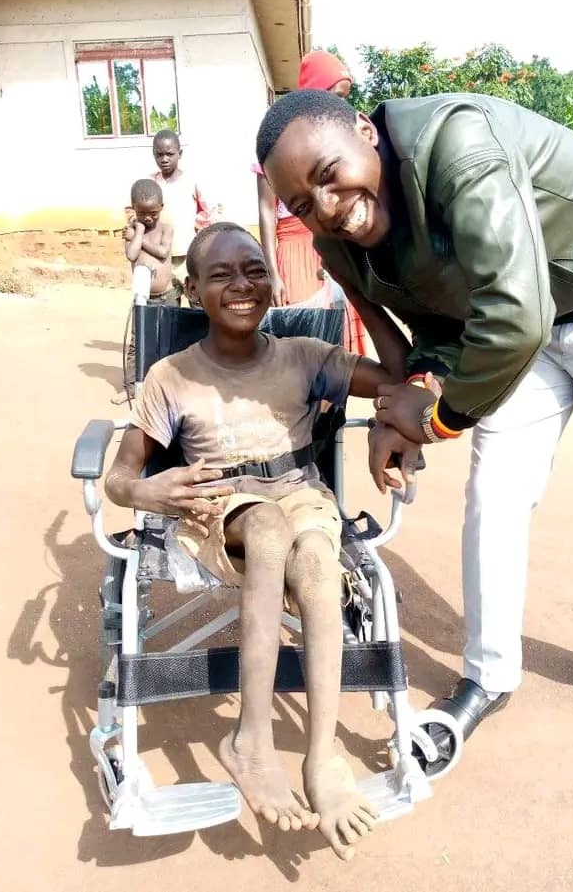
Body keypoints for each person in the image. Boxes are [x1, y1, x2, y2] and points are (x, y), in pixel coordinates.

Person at [255, 88, 573, 747]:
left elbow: (516, 311)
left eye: (328, 176)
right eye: (304, 205)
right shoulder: (338, 243)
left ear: (365, 133)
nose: (330, 208)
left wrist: (436, 420)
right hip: (523, 333)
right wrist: (393, 416)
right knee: (493, 498)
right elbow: (404, 337)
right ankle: (487, 674)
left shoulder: (455, 145)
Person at [104, 222, 411, 859]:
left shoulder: (303, 355)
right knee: (269, 529)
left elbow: (396, 378)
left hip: (302, 497)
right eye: (221, 274)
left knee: (320, 560)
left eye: (254, 270)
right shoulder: (172, 375)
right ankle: (251, 740)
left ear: (271, 280)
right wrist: (145, 493)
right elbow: (119, 478)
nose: (242, 284)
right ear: (192, 291)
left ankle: (322, 757)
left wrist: (360, 294)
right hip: (220, 510)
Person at [254, 51, 367, 355]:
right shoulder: (277, 142)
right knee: (307, 340)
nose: (343, 105)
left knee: (341, 337)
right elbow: (267, 211)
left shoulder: (338, 138)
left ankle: (337, 401)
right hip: (294, 251)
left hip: (333, 243)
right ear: (317, 93)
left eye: (346, 97)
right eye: (337, 95)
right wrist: (272, 273)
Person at [112, 179, 176, 405]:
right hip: (142, 299)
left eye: (153, 213)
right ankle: (130, 387)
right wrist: (137, 231)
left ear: (161, 208)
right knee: (136, 345)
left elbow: (162, 251)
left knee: (167, 343)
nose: (148, 218)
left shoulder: (166, 229)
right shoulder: (132, 231)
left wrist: (139, 238)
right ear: (133, 209)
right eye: (142, 213)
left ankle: (168, 389)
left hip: (167, 297)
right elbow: (131, 255)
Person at [150, 128, 216, 304]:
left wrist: (201, 240)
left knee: (199, 305)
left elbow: (208, 212)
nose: (164, 159)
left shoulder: (191, 181)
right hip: (161, 259)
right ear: (153, 154)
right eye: (159, 154)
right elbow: (134, 210)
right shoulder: (150, 184)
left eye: (169, 154)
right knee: (169, 310)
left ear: (180, 153)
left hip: (189, 257)